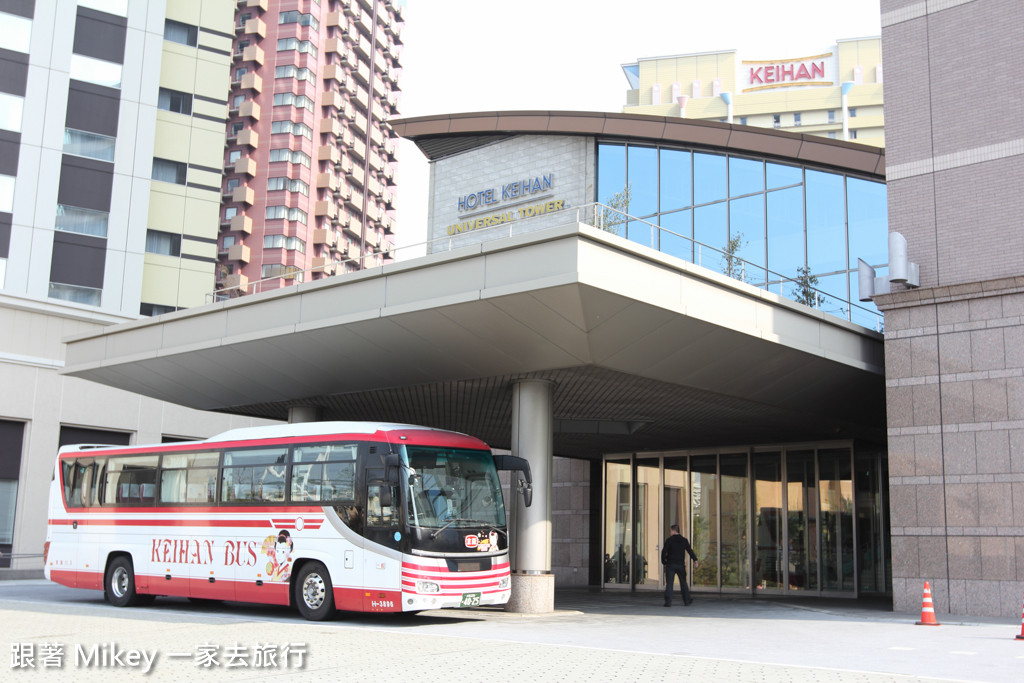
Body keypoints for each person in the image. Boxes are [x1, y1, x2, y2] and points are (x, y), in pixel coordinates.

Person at [661, 524, 698, 607]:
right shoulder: (684, 540)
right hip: (680, 565)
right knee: (683, 583)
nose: (669, 532)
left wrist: (664, 561)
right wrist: (695, 559)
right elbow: (689, 551)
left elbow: (664, 552)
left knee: (669, 583)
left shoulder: (669, 540)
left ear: (674, 531)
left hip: (670, 564)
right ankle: (687, 600)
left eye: (670, 531)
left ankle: (668, 602)